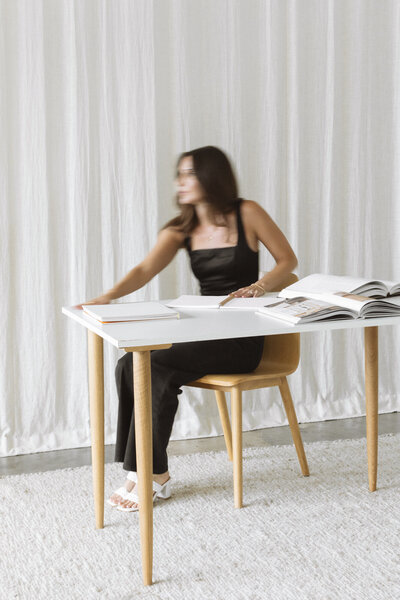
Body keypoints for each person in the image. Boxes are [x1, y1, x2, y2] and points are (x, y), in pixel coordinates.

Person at [81, 145, 297, 512]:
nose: (180, 182)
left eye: (189, 174)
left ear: (211, 177)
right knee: (129, 364)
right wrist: (107, 296)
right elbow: (144, 270)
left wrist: (260, 286)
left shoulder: (247, 213)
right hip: (202, 332)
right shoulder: (182, 229)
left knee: (154, 364)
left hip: (241, 340)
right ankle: (150, 470)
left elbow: (287, 260)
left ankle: (146, 473)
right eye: (179, 175)